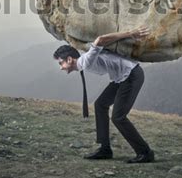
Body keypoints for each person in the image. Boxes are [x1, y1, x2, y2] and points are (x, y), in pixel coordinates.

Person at [53, 26, 154, 163]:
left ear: (69, 59)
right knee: (100, 105)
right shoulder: (85, 59)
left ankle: (145, 152)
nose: (61, 67)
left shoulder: (86, 62)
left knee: (118, 117)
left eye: (61, 63)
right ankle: (105, 149)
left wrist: (131, 34)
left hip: (131, 75)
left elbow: (100, 40)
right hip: (120, 78)